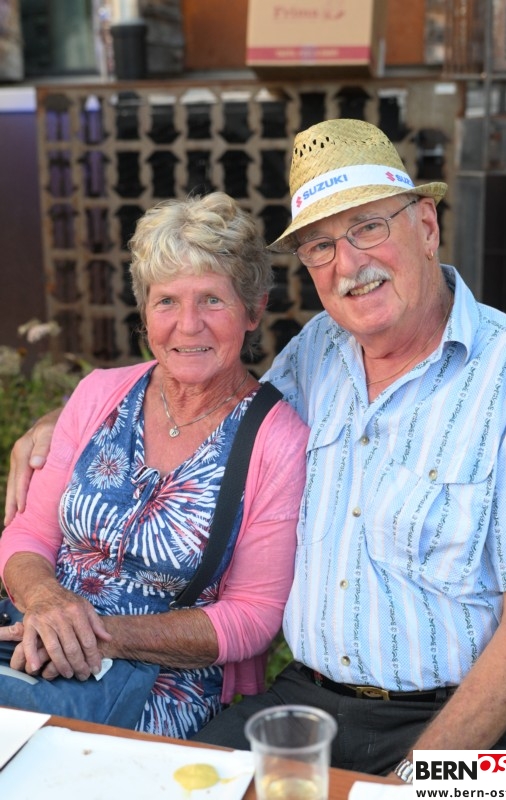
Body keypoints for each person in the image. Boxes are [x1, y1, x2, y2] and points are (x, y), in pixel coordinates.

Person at [5, 119, 506, 778]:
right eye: (320, 245)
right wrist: (62, 421)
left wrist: (416, 779)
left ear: (425, 226)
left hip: (473, 719)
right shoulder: (319, 351)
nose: (348, 264)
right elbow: (215, 395)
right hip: (310, 700)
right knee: (185, 789)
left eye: (368, 227)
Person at [0, 191, 308, 739]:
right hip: (33, 646)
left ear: (254, 309)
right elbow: (28, 534)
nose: (188, 325)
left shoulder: (278, 440)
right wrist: (46, 602)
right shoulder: (99, 394)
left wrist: (93, 635)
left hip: (161, 688)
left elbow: (253, 615)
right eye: (166, 301)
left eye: (212, 300)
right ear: (144, 311)